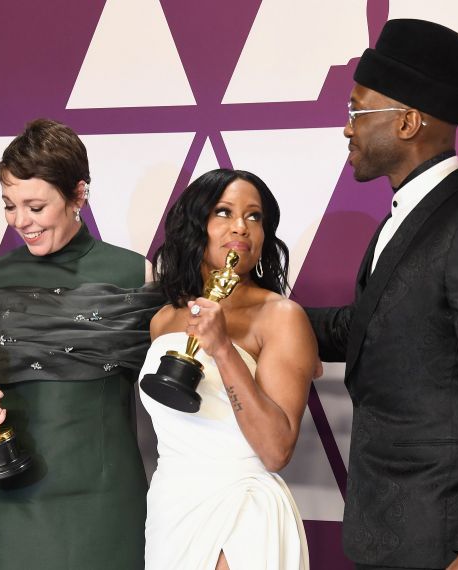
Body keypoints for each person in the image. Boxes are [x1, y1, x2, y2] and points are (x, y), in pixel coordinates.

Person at [304, 19, 458, 569]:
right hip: (391, 528)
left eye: (357, 111)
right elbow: (366, 331)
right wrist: (255, 312)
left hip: (443, 538)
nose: (347, 129)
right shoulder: (405, 218)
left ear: (409, 122)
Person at [0, 118, 164, 569]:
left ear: (78, 194)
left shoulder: (135, 275)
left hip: (101, 504)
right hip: (1, 497)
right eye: (9, 205)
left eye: (35, 206)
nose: (21, 221)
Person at [141, 168, 317, 570]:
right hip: (171, 510)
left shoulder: (281, 317)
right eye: (224, 212)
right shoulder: (164, 320)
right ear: (195, 224)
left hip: (242, 508)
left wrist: (223, 348)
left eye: (254, 216)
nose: (241, 226)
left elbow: (276, 450)